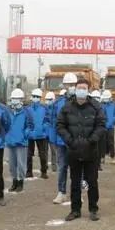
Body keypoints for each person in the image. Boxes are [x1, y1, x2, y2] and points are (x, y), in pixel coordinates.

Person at [57, 78, 106, 221]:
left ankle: (93, 209)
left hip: (91, 150)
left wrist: (92, 140)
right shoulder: (67, 107)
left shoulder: (96, 106)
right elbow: (60, 125)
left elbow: (101, 125)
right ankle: (75, 210)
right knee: (75, 182)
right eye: (79, 88)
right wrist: (69, 140)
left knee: (92, 182)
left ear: (88, 90)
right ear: (75, 89)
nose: (81, 90)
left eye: (84, 88)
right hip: (73, 150)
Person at [51, 72, 77, 204]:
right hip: (61, 141)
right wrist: (53, 139)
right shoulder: (58, 103)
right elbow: (53, 121)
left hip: (76, 142)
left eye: (73, 84)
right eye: (68, 84)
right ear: (64, 85)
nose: (71, 87)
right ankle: (61, 192)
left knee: (76, 168)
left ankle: (76, 193)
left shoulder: (82, 101)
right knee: (62, 167)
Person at [6, 89, 33, 192]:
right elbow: (4, 124)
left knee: (21, 164)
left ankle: (20, 182)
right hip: (10, 142)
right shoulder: (8, 111)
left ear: (21, 99)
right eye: (13, 98)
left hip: (21, 142)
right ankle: (14, 182)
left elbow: (30, 126)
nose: (14, 100)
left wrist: (25, 135)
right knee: (12, 165)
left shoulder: (26, 112)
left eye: (17, 98)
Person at [26, 88, 49, 179]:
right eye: (34, 96)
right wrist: (28, 131)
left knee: (43, 155)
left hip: (41, 135)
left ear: (40, 98)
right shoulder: (28, 109)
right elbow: (26, 121)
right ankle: (29, 172)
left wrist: (44, 129)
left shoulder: (44, 108)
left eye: (37, 96)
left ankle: (44, 172)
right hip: (30, 136)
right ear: (32, 97)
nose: (35, 98)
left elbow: (47, 120)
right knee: (29, 155)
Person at [101, 90, 115, 165]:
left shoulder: (114, 105)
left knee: (111, 142)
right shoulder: (101, 105)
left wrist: (112, 121)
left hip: (111, 127)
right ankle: (102, 157)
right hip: (103, 127)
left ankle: (112, 157)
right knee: (102, 142)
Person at [44, 91, 58, 172]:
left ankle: (54, 166)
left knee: (53, 151)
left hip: (53, 133)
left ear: (53, 100)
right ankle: (45, 166)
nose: (48, 101)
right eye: (47, 99)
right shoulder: (45, 109)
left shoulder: (56, 109)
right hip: (46, 133)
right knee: (45, 151)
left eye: (49, 99)